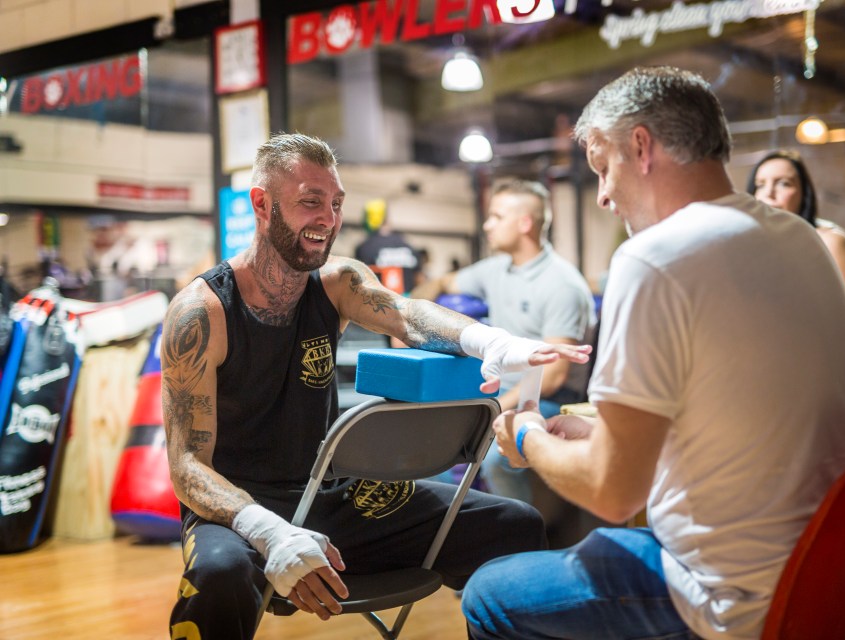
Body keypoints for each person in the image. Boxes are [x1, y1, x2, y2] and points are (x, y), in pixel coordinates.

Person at [460, 66, 845, 640]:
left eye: (604, 169)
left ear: (641, 147)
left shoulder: (654, 257)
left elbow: (612, 491)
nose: (602, 195)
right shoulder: (799, 238)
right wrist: (602, 436)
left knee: (488, 592)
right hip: (832, 574)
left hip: (729, 593)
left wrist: (527, 436)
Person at [163, 133, 591, 640]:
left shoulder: (336, 282)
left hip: (332, 494)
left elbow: (407, 313)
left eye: (337, 202)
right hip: (236, 509)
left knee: (513, 524)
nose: (328, 218)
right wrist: (270, 532)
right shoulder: (202, 312)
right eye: (310, 201)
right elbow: (187, 466)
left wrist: (490, 342)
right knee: (218, 576)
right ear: (262, 203)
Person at [410, 179, 596, 503]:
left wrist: (490, 411)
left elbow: (555, 376)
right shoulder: (496, 270)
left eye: (496, 216)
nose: (487, 225)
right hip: (494, 392)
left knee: (497, 459)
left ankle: (523, 534)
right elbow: (440, 282)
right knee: (426, 443)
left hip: (541, 398)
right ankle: (448, 530)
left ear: (524, 223)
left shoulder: (562, 284)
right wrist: (408, 324)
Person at [746, 150, 845, 388]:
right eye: (760, 185)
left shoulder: (831, 243)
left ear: (804, 194)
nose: (769, 193)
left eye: (783, 183)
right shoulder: (756, 254)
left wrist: (831, 388)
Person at [354, 198, 423, 294]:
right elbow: (420, 280)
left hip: (377, 305)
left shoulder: (364, 248)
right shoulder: (408, 246)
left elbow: (358, 281)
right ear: (386, 218)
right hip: (408, 304)